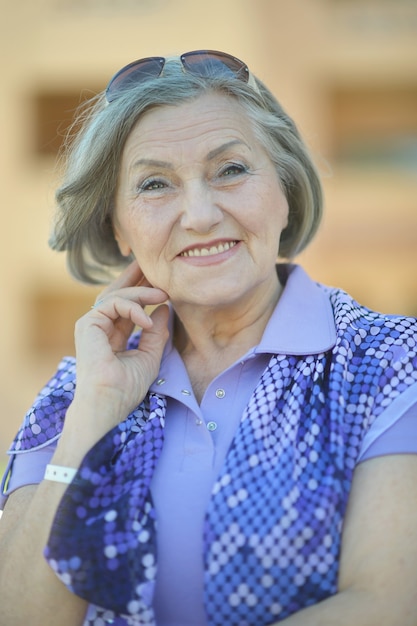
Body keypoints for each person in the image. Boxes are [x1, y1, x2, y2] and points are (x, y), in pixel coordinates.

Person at [0, 50, 416, 626]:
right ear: (120, 229)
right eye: (154, 184)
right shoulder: (73, 394)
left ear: (286, 189)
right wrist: (92, 414)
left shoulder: (391, 361)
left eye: (231, 170)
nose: (199, 214)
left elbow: (389, 604)